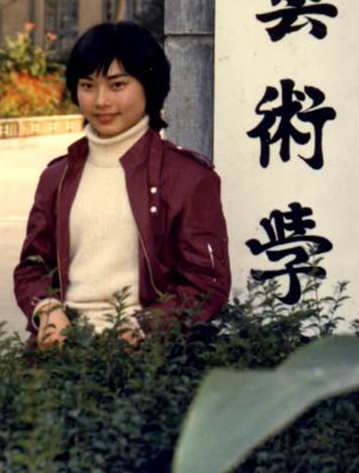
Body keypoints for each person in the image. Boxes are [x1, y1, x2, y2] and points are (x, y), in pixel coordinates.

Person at [13, 21, 230, 349]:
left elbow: (206, 283)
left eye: (117, 85)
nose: (101, 101)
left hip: (148, 356)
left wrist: (142, 328)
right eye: (88, 85)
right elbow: (32, 268)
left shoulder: (188, 178)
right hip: (62, 352)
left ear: (149, 86)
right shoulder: (57, 177)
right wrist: (46, 309)